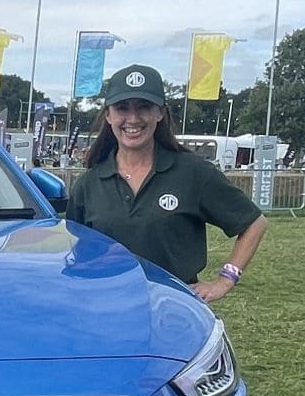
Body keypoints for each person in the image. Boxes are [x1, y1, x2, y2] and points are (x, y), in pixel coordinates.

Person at [67, 65, 267, 300]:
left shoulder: (193, 172)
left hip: (174, 312)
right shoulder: (88, 184)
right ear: (108, 115)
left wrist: (225, 280)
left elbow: (254, 223)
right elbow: (78, 257)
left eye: (144, 107)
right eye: (122, 108)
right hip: (107, 307)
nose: (133, 118)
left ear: (160, 113)